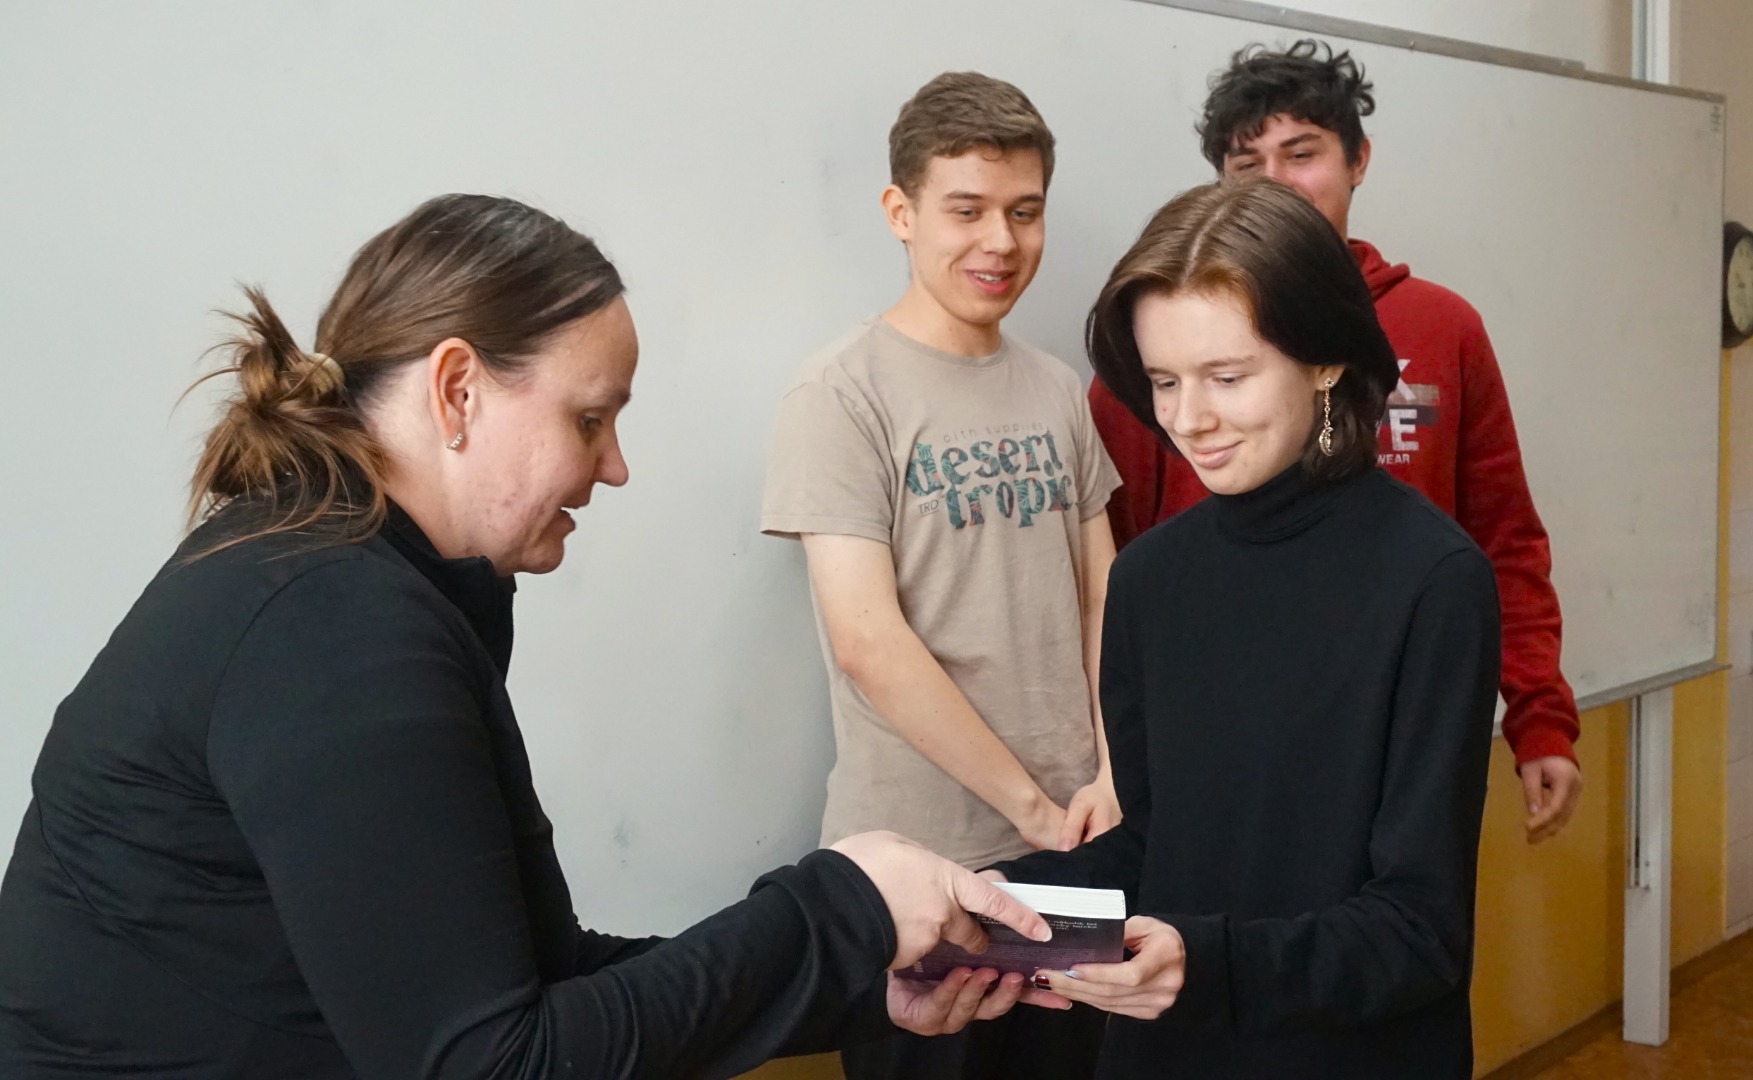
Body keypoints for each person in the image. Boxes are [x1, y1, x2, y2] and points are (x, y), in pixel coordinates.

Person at [0, 194, 1066, 1080]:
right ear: (457, 391)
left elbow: (530, 982)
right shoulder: (333, 625)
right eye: (589, 419)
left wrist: (862, 980)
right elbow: (493, 1061)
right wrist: (841, 904)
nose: (615, 466)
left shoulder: (329, 572)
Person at [991, 178, 1501, 1078]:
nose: (1189, 420)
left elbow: (1418, 930)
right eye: (1163, 382)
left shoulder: (1432, 581)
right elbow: (1156, 844)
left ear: (1326, 360)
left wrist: (1208, 963)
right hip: (1167, 1052)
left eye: (1226, 378)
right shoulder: (1149, 579)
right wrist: (992, 902)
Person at [1088, 40, 1581, 843]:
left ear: (1357, 160)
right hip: (1213, 724)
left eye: (1301, 153)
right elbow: (1117, 569)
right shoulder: (1160, 344)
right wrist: (1116, 757)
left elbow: (1503, 538)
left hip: (1390, 712)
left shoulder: (1441, 326)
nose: (1275, 181)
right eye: (1246, 163)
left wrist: (1539, 715)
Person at [761, 72, 1118, 1078]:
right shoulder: (838, 394)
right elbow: (867, 642)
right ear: (901, 211)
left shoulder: (1056, 388)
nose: (999, 242)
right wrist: (1032, 809)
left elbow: (1104, 594)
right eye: (966, 210)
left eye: (1024, 212)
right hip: (919, 870)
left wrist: (1106, 775)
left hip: (1078, 845)